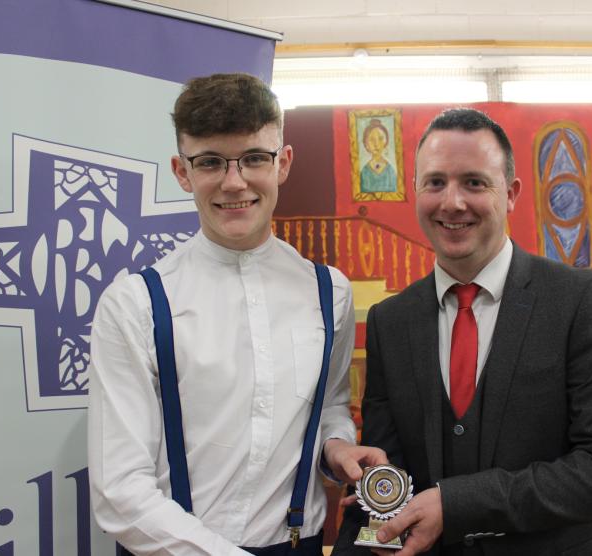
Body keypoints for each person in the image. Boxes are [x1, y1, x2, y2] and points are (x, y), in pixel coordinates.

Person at [88, 73, 385, 555]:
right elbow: (119, 491)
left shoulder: (329, 291)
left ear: (282, 163)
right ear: (182, 171)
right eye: (210, 162)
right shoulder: (134, 304)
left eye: (254, 158)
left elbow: (329, 405)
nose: (234, 182)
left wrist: (336, 446)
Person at [333, 108, 592, 555]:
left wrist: (456, 504)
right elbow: (386, 478)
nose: (452, 202)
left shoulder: (579, 301)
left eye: (474, 183)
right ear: (416, 191)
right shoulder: (391, 321)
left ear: (511, 193)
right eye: (435, 182)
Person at [360, 118, 398, 193]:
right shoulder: (364, 172)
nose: (376, 144)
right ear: (366, 144)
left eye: (380, 139)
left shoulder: (390, 171)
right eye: (372, 139)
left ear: (386, 141)